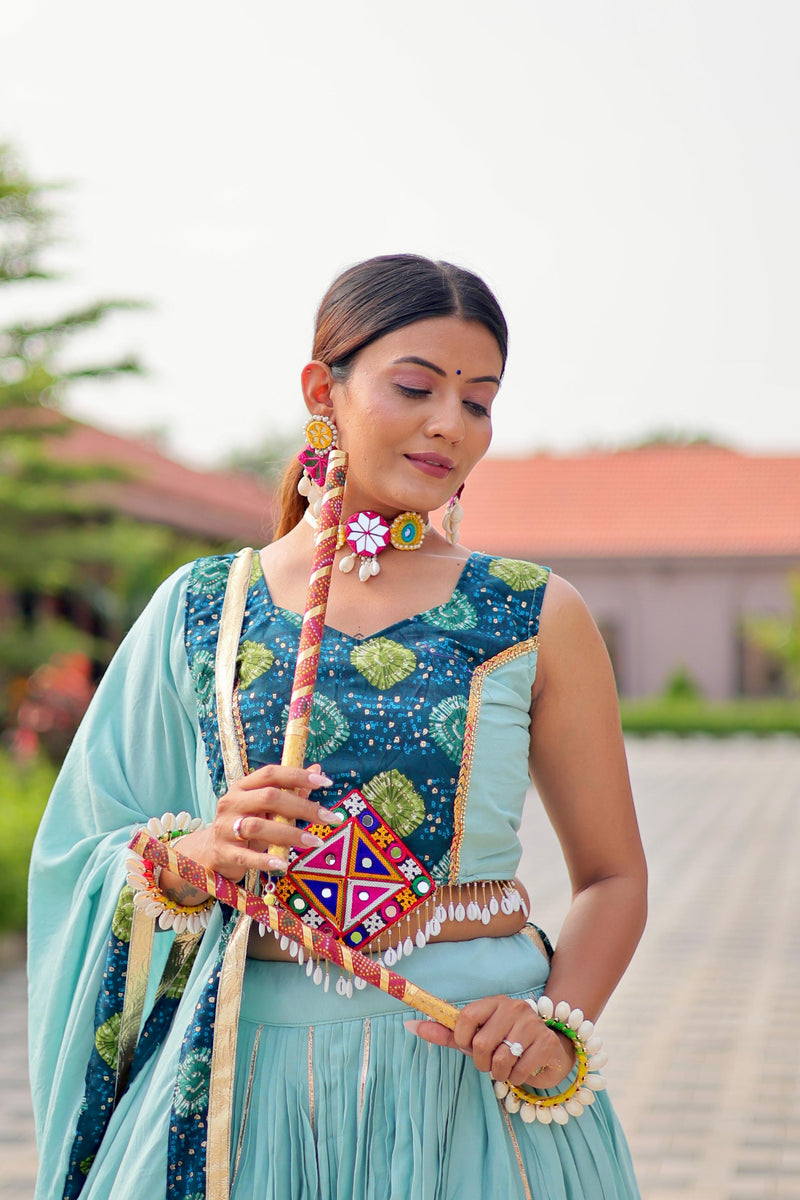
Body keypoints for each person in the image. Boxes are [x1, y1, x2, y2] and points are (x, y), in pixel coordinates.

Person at [28, 254, 647, 1200]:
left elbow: (613, 876)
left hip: (469, 1077)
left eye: (479, 401)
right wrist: (197, 853)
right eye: (415, 386)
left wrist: (554, 1021)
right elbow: (82, 850)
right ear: (324, 389)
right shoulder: (202, 608)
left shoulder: (535, 613)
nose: (451, 422)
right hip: (242, 1084)